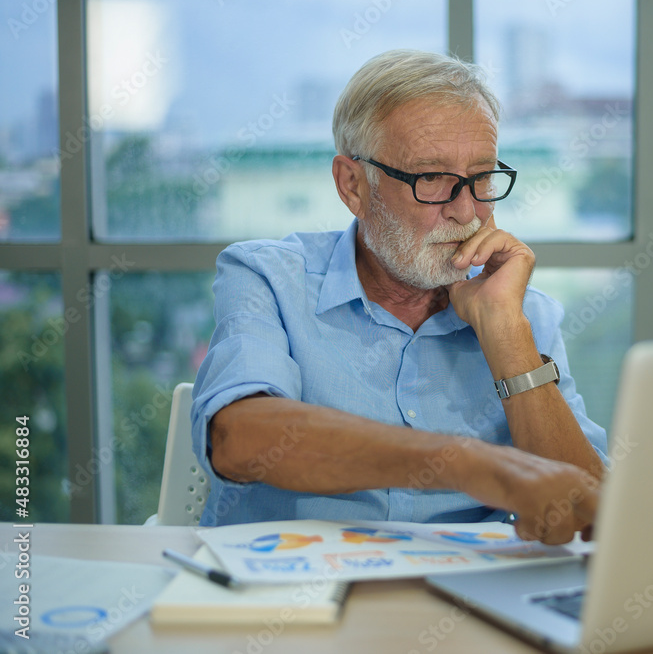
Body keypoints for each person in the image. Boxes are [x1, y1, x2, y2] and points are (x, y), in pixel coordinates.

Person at [191, 49, 608, 544]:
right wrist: (467, 464)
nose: (466, 210)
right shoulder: (269, 278)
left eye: (481, 178)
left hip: (466, 598)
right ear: (353, 185)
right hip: (292, 597)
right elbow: (239, 439)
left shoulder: (516, 307)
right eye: (431, 178)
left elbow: (589, 518)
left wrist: (505, 334)